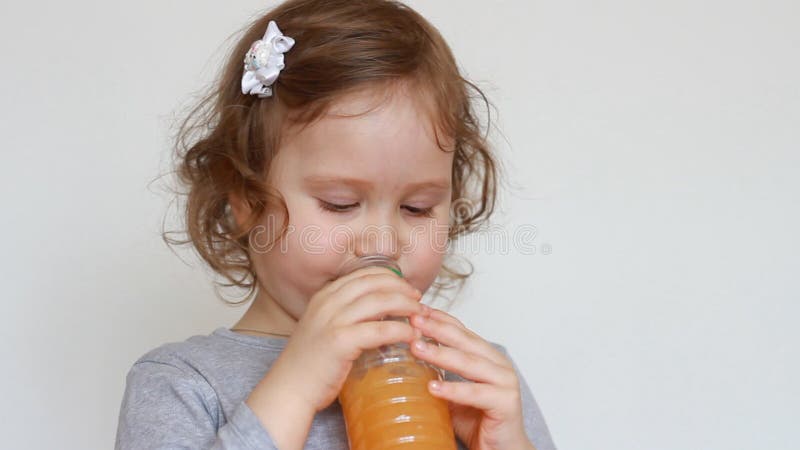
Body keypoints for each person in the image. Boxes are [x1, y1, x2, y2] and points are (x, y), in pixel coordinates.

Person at [115, 0, 557, 449]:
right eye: (340, 203)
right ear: (246, 200)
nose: (382, 242)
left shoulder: (476, 381)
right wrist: (295, 387)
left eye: (418, 208)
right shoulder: (182, 383)